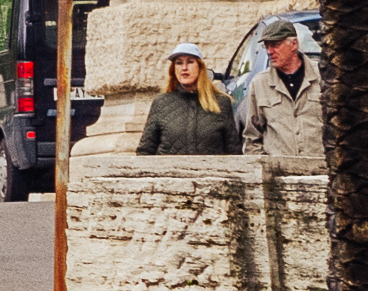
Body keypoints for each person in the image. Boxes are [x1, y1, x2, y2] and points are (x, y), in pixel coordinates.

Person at [242, 18, 325, 174]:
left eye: (276, 45)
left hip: (321, 173)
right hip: (279, 178)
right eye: (267, 46)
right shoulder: (259, 84)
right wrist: (266, 171)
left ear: (293, 44)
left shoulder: (322, 76)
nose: (270, 51)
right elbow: (252, 137)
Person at [136, 41, 238, 155]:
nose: (184, 68)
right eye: (179, 63)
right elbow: (145, 150)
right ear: (173, 69)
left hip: (209, 172)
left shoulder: (221, 102)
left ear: (200, 67)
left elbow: (233, 150)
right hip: (169, 172)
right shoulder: (161, 102)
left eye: (190, 62)